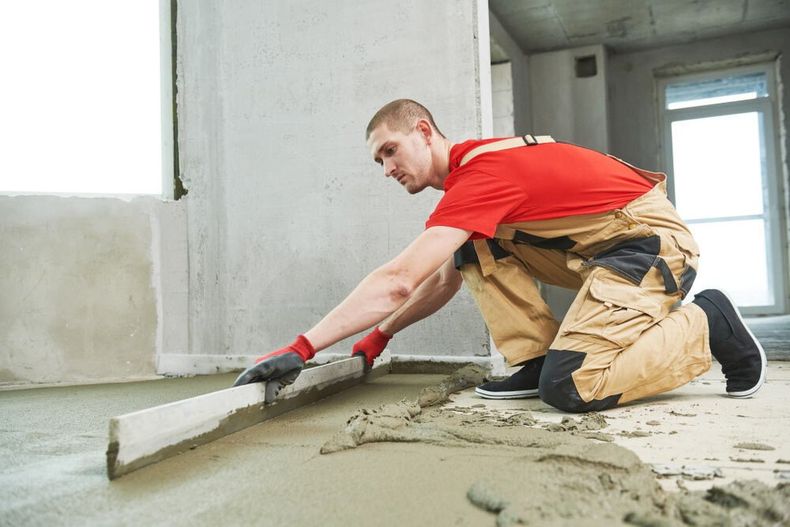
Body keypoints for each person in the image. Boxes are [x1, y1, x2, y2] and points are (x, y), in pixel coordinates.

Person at [234, 99, 766, 412]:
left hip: (649, 246)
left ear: (423, 132)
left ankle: (708, 322)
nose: (386, 169)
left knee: (573, 387)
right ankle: (534, 359)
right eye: (377, 161)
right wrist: (378, 338)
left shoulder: (481, 177)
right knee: (473, 244)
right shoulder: (470, 186)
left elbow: (400, 280)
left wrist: (302, 348)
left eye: (390, 151)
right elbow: (439, 282)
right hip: (604, 247)